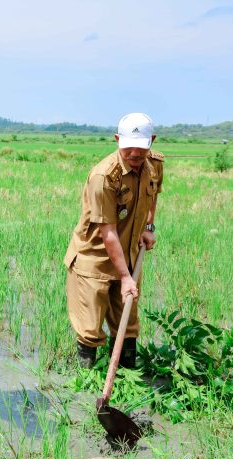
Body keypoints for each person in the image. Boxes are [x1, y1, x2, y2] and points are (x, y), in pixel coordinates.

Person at [64, 113, 164, 369]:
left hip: (128, 255)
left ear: (151, 141)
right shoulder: (104, 176)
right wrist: (126, 277)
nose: (134, 152)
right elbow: (107, 232)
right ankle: (86, 385)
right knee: (90, 329)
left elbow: (152, 196)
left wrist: (148, 227)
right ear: (117, 139)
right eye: (128, 146)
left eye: (141, 147)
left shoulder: (154, 164)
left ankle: (125, 380)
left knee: (128, 325)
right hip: (94, 260)